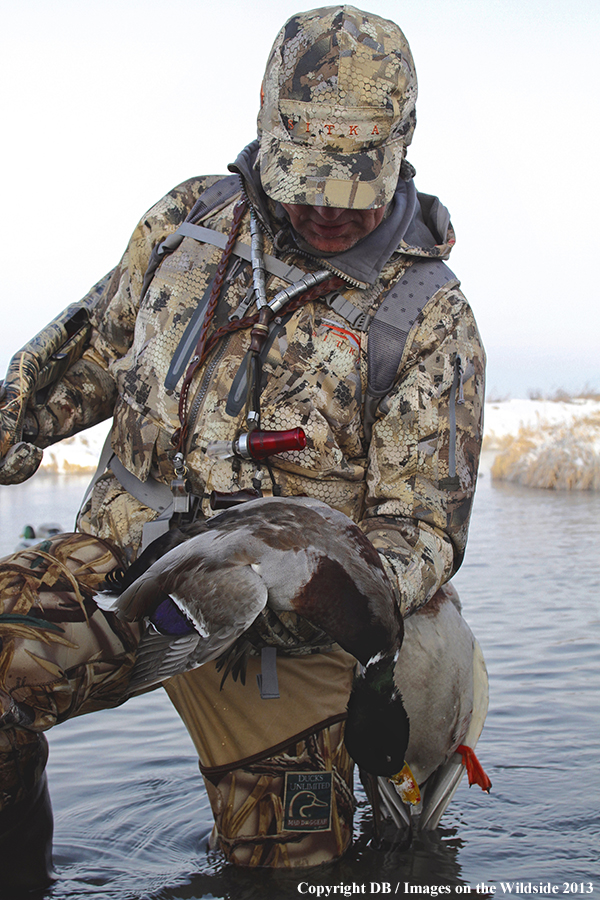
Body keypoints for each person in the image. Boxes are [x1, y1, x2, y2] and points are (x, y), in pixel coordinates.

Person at [0, 5, 486, 888]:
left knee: (287, 879)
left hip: (283, 636)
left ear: (401, 142)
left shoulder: (430, 321)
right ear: (265, 120)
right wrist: (12, 420)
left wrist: (320, 590)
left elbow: (423, 528)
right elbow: (95, 356)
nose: (326, 209)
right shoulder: (187, 222)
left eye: (352, 182)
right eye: (304, 177)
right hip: (121, 566)